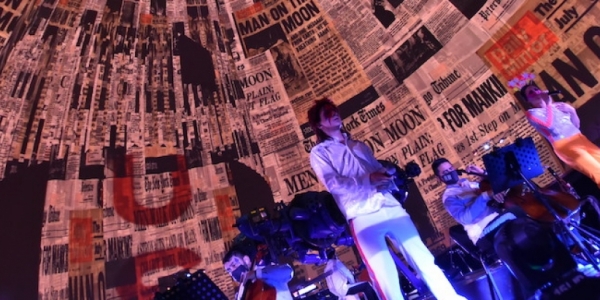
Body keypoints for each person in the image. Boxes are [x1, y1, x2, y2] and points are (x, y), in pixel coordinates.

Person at [308, 98, 466, 300]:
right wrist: (369, 179)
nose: (334, 113)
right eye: (327, 113)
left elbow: (377, 171)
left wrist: (387, 177)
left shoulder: (359, 145)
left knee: (424, 259)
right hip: (362, 216)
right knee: (385, 275)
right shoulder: (320, 152)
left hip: (391, 206)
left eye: (334, 109)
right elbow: (334, 184)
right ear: (319, 125)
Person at [433, 157, 577, 296]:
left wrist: (481, 174)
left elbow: (498, 185)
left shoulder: (471, 184)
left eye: (451, 168)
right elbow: (465, 218)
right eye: (445, 173)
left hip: (500, 220)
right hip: (483, 232)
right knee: (517, 211)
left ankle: (564, 264)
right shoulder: (449, 197)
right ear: (439, 178)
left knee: (530, 215)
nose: (450, 172)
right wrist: (485, 196)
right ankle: (533, 288)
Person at [515, 73, 600, 187]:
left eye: (536, 89)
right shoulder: (532, 113)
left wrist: (571, 111)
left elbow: (576, 126)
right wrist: (548, 104)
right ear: (527, 100)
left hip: (579, 139)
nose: (535, 92)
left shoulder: (557, 106)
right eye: (531, 92)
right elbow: (549, 125)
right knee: (597, 171)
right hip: (566, 146)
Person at [222, 246, 294, 300]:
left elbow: (288, 272)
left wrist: (257, 274)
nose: (232, 271)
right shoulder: (239, 294)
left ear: (246, 260)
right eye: (229, 270)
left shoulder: (266, 269)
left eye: (234, 265)